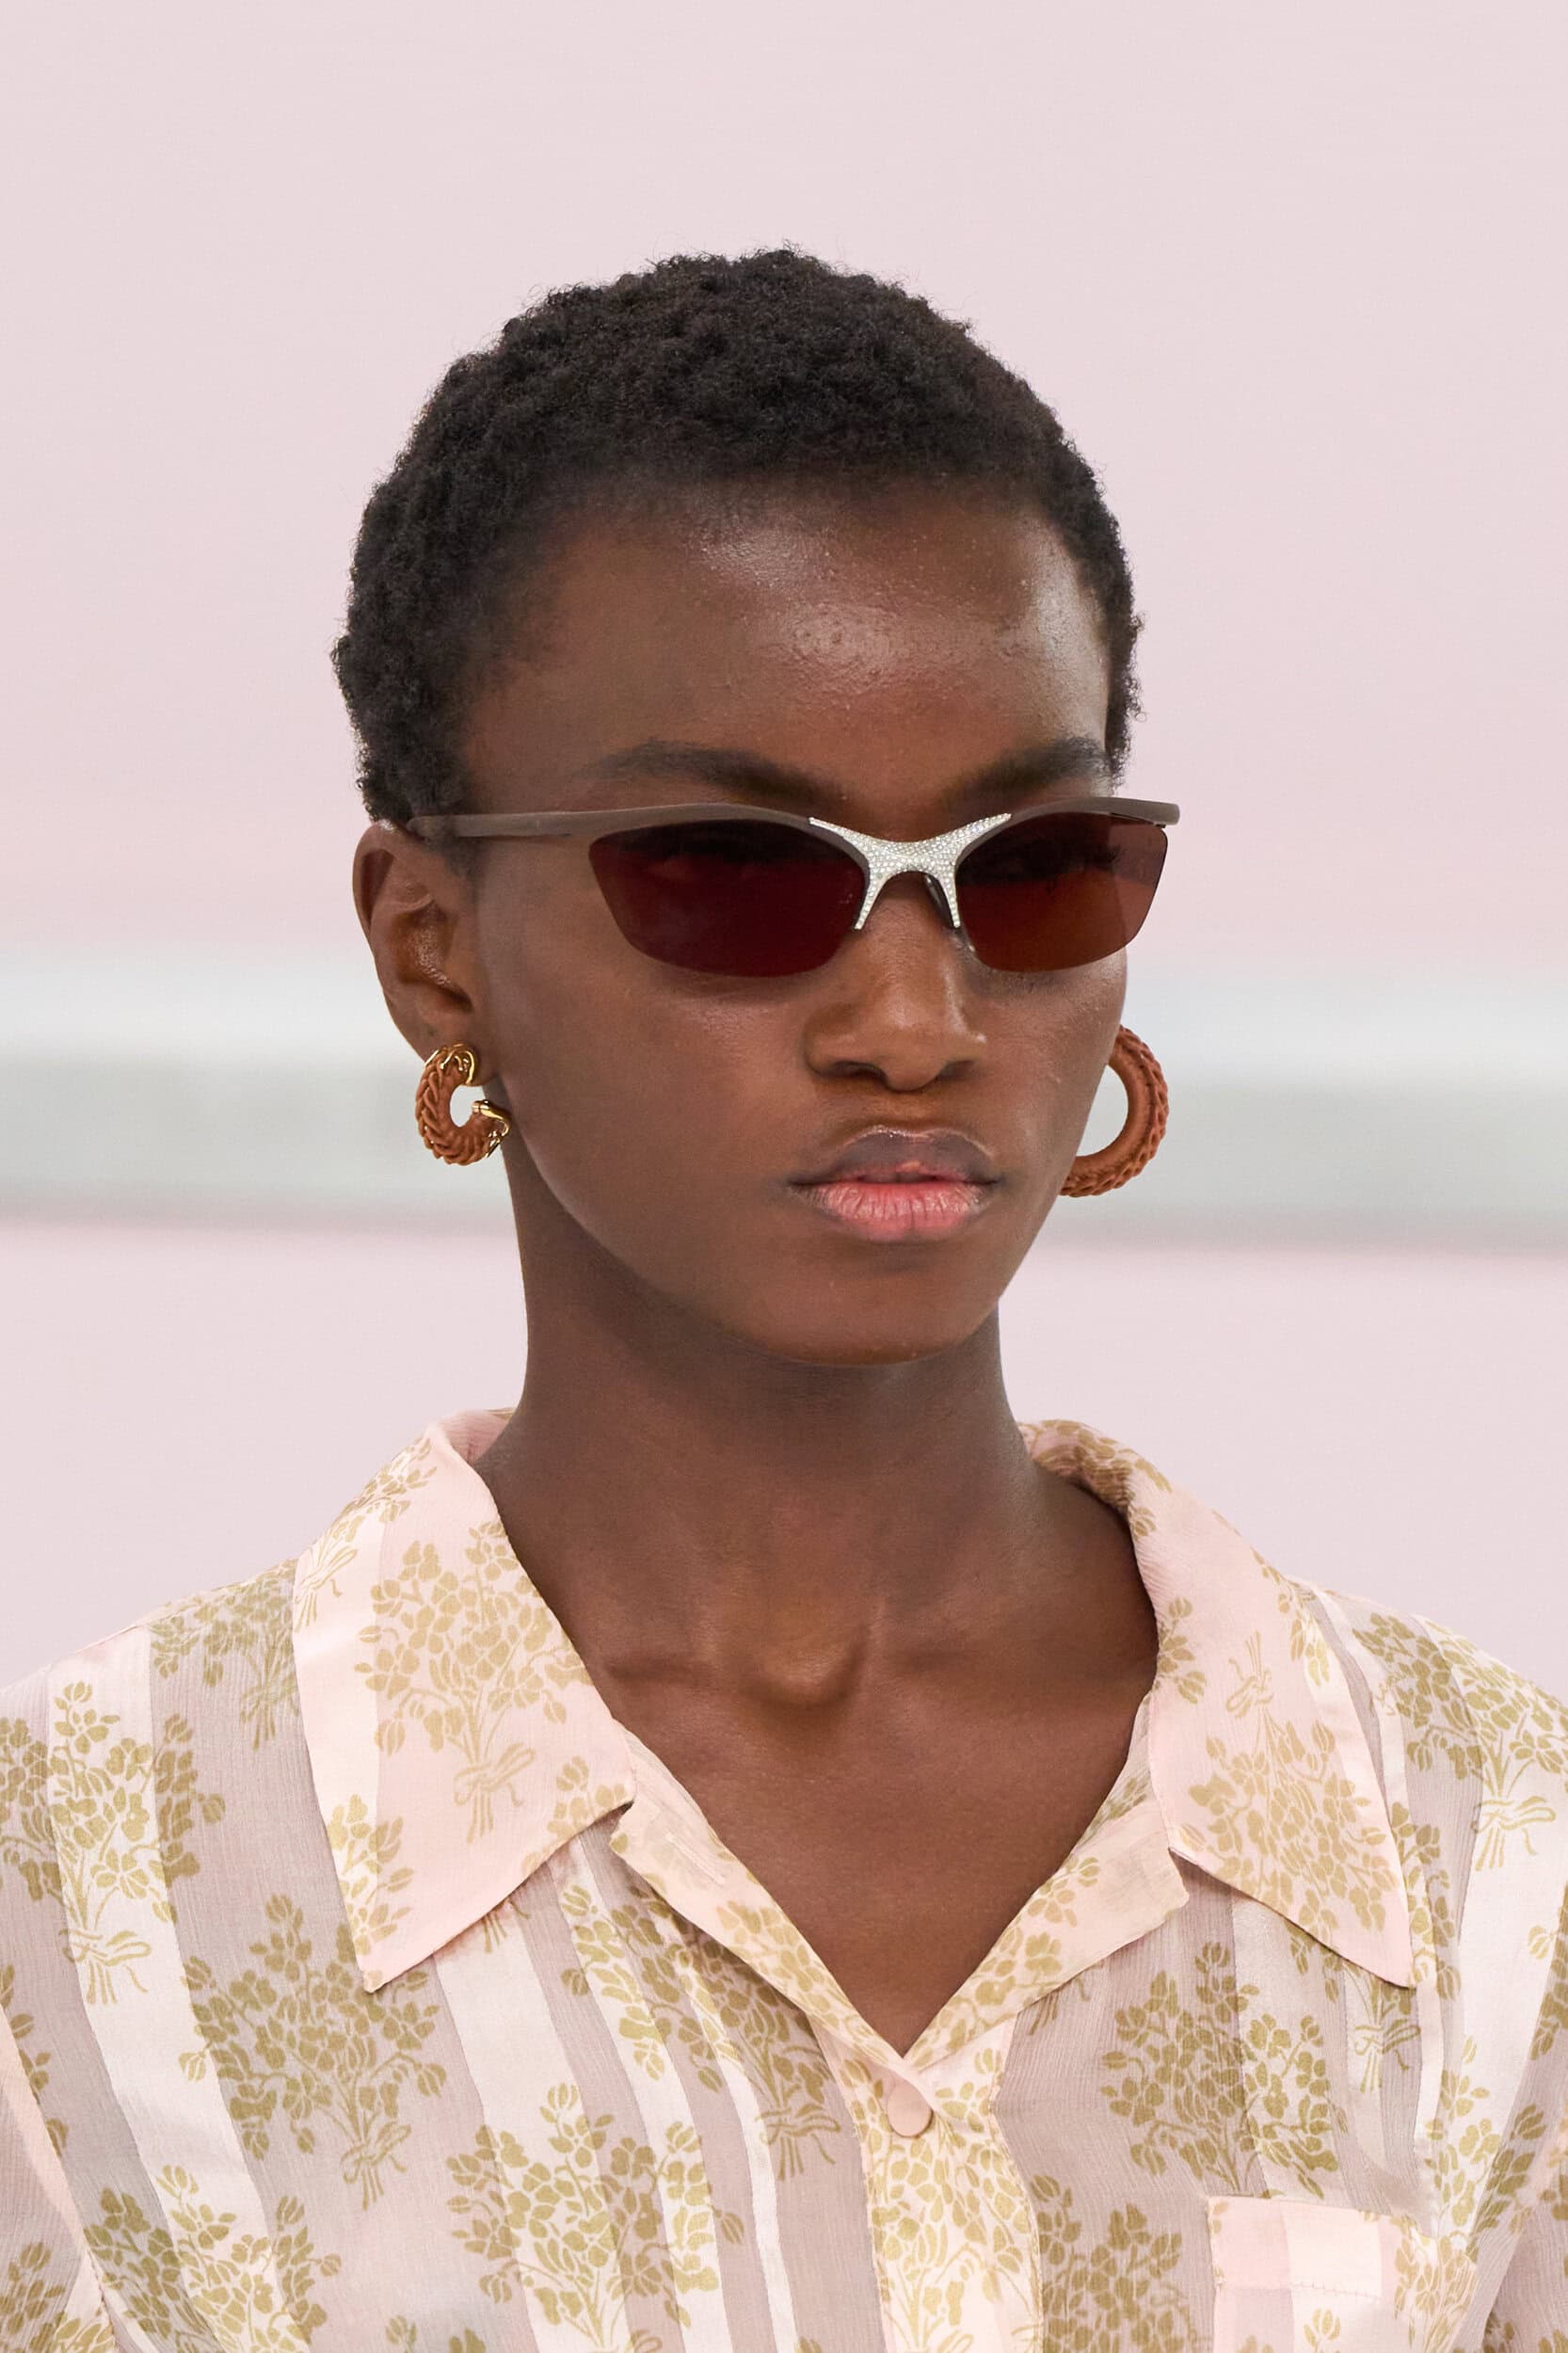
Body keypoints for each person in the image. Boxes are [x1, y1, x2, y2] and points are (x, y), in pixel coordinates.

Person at [2, 249, 1563, 2353]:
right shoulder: (76, 1898)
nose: (913, 1021)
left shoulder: (1494, 1865)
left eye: (1034, 866)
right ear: (432, 945)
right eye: (728, 873)